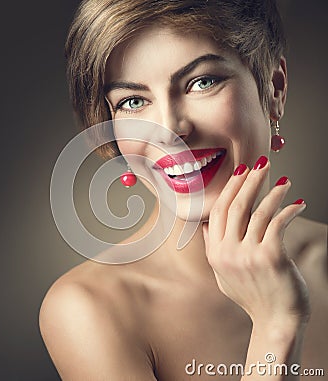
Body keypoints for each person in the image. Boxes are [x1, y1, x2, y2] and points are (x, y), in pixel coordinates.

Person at [39, 0, 328, 379]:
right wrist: (277, 325)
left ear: (274, 88)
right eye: (133, 101)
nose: (170, 129)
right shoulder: (89, 308)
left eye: (201, 82)